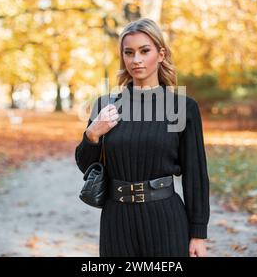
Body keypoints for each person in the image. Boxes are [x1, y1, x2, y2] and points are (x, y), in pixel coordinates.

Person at [75, 18, 210, 257]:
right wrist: (92, 133)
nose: (136, 60)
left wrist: (198, 233)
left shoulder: (182, 107)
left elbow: (195, 173)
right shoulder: (106, 105)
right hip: (117, 221)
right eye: (129, 52)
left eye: (144, 51)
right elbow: (87, 166)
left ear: (161, 54)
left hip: (165, 220)